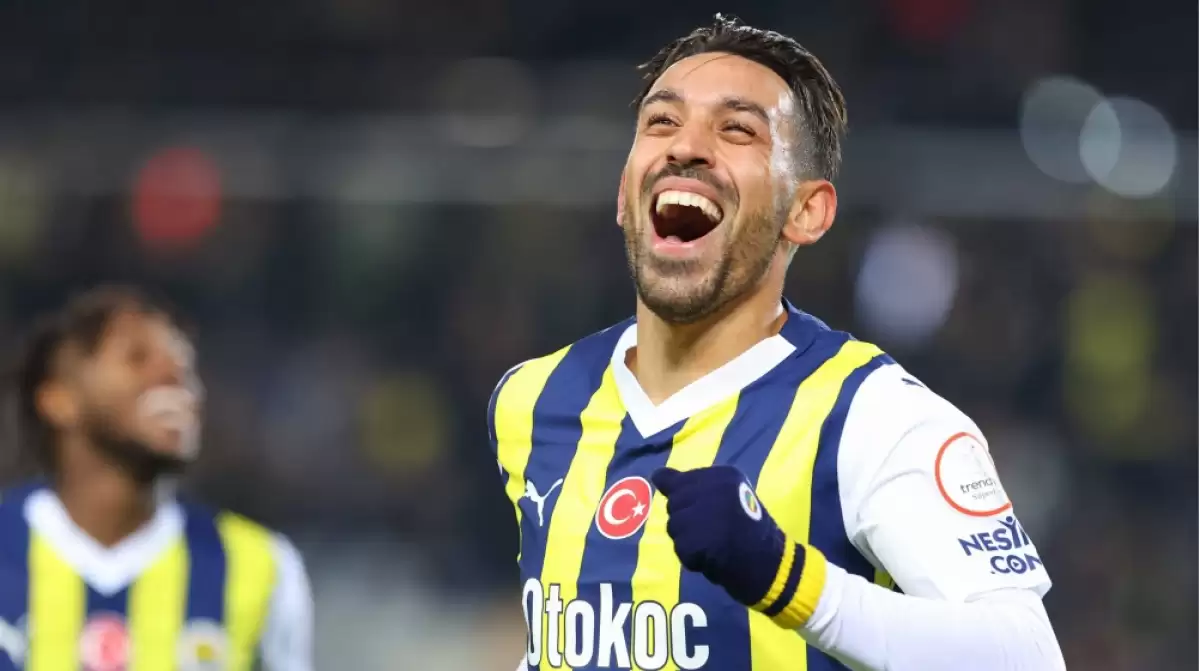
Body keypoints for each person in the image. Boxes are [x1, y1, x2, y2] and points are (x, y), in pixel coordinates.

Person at [489, 15, 1065, 671]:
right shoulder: (532, 400)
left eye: (737, 130)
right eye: (662, 122)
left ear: (806, 211)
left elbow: (1027, 656)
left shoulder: (871, 417)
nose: (686, 147)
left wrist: (787, 579)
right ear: (625, 193)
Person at [0, 286, 312, 671]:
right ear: (58, 400)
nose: (172, 375)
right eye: (137, 358)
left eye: (185, 366)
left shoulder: (259, 566)